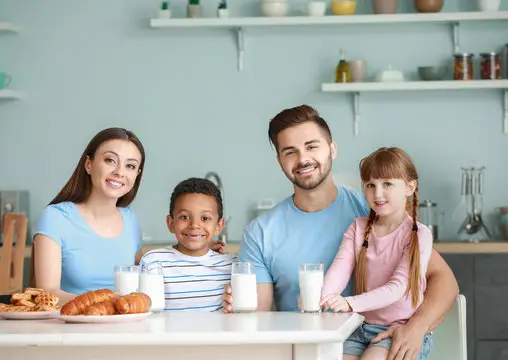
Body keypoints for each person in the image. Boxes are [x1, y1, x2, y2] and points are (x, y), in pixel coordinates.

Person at [223, 105, 459, 360]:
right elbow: (257, 314)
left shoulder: (373, 211)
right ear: (280, 161)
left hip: (380, 341)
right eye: (290, 152)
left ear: (332, 149)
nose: (303, 159)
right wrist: (236, 307)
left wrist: (416, 328)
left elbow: (444, 282)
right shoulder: (260, 232)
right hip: (305, 351)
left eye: (312, 146)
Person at [321, 147, 433, 360]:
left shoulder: (419, 235)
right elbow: (340, 269)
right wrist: (321, 297)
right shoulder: (358, 228)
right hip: (360, 328)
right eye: (371, 185)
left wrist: (350, 303)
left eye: (387, 184)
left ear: (410, 187)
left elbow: (398, 287)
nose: (377, 193)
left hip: (399, 330)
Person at [32, 127, 146, 304]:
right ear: (89, 164)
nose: (119, 172)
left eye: (130, 166)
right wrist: (108, 302)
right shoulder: (55, 218)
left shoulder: (131, 220)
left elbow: (142, 279)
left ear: (137, 175)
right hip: (71, 326)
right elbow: (47, 293)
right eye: (110, 160)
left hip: (126, 325)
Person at [140, 177, 236, 312]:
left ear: (219, 225)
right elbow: (143, 311)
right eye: (184, 217)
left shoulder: (232, 266)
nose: (194, 225)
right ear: (171, 223)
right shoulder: (153, 262)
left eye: (205, 218)